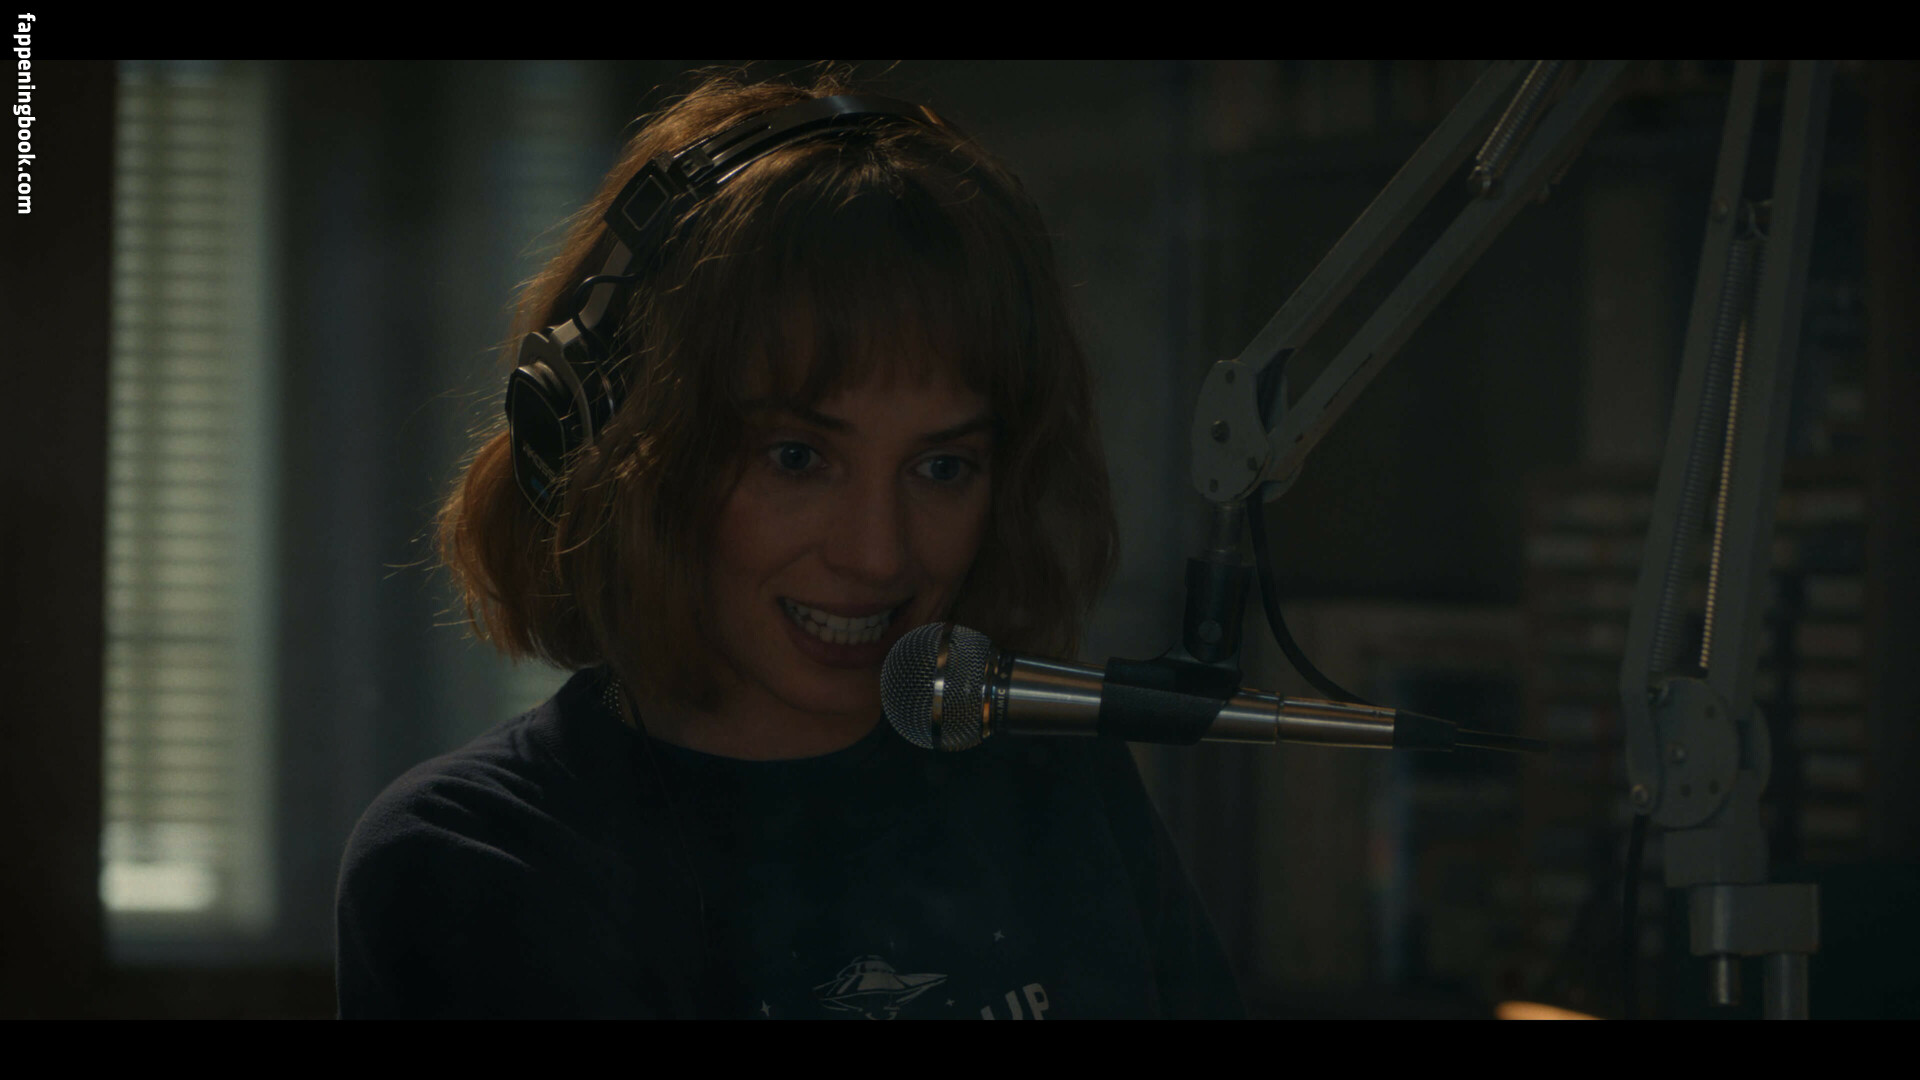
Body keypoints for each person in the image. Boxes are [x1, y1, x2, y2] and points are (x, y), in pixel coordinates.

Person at [334, 68, 1245, 1020]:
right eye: (798, 457)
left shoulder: (1055, 780)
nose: (878, 555)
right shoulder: (477, 860)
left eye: (942, 468)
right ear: (619, 449)